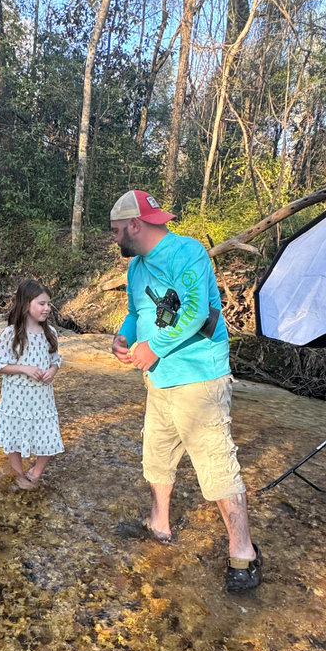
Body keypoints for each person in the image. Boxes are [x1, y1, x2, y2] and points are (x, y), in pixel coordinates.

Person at [110, 189, 262, 592]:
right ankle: (159, 525)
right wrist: (124, 338)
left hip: (199, 379)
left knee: (216, 465)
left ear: (135, 225)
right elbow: (135, 311)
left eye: (116, 230)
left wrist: (151, 347)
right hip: (158, 380)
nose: (114, 238)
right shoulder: (136, 268)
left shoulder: (188, 253)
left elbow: (195, 311)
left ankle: (243, 552)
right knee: (157, 458)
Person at [0, 279, 64, 489]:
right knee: (12, 434)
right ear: (26, 305)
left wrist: (52, 371)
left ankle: (36, 473)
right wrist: (24, 368)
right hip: (15, 398)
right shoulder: (11, 334)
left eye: (48, 304)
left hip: (42, 399)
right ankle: (18, 473)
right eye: (41, 304)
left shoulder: (50, 333)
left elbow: (55, 360)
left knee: (49, 435)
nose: (47, 308)